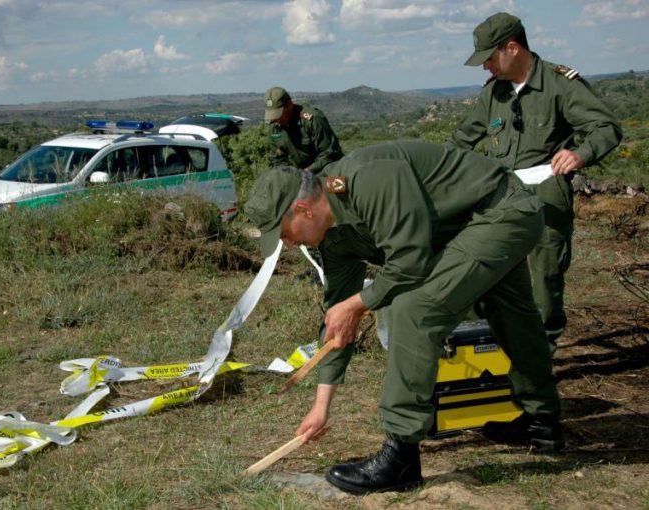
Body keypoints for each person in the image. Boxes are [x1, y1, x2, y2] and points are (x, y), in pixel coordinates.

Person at [244, 140, 563, 495]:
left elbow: (410, 261)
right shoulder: (333, 236)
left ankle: (401, 456)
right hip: (471, 228)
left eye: (284, 234)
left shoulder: (367, 180)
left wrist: (358, 304)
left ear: (303, 210)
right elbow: (337, 321)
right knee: (512, 314)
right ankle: (542, 423)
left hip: (501, 211)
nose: (288, 244)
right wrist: (321, 407)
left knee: (414, 309)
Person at [450, 12, 622, 347]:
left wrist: (580, 154)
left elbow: (606, 127)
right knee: (479, 270)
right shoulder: (493, 93)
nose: (485, 66)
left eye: (489, 57)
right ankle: (487, 345)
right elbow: (461, 141)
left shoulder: (560, 85)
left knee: (545, 276)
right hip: (500, 197)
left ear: (512, 48)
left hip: (545, 195)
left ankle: (541, 354)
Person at [264, 86, 343, 174]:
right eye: (273, 115)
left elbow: (329, 153)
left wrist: (306, 172)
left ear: (289, 105)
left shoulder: (312, 119)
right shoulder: (274, 129)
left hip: (324, 171)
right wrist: (290, 175)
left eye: (279, 114)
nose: (277, 119)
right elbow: (278, 161)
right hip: (298, 176)